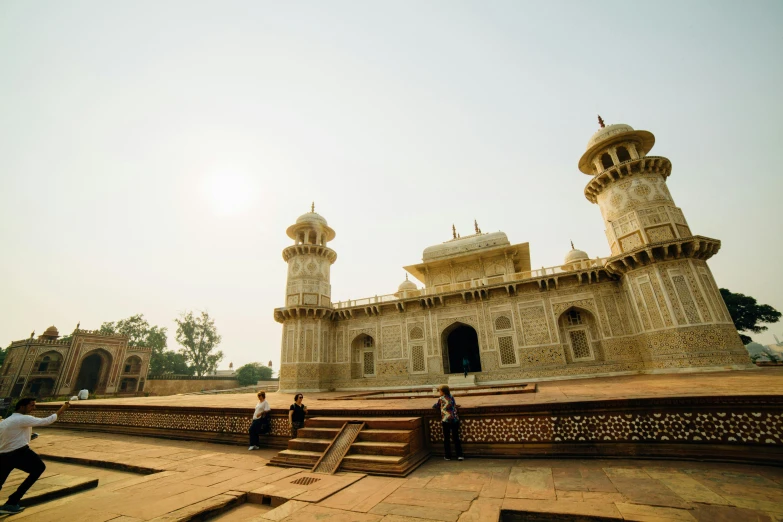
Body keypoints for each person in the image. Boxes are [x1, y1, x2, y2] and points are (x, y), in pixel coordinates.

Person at [0, 398, 71, 514]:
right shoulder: (23, 418)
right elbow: (46, 421)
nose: (34, 408)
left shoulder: (6, 421)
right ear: (22, 407)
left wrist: (28, 438)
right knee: (39, 468)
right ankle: (12, 502)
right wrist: (62, 409)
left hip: (4, 455)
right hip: (19, 452)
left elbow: (9, 437)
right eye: (31, 405)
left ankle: (12, 502)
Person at [432, 385, 463, 461]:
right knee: (456, 438)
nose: (439, 392)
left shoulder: (441, 399)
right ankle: (459, 455)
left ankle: (448, 456)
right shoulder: (451, 397)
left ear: (443, 391)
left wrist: (434, 406)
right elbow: (453, 405)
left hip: (446, 420)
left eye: (440, 391)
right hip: (454, 419)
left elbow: (436, 406)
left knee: (447, 438)